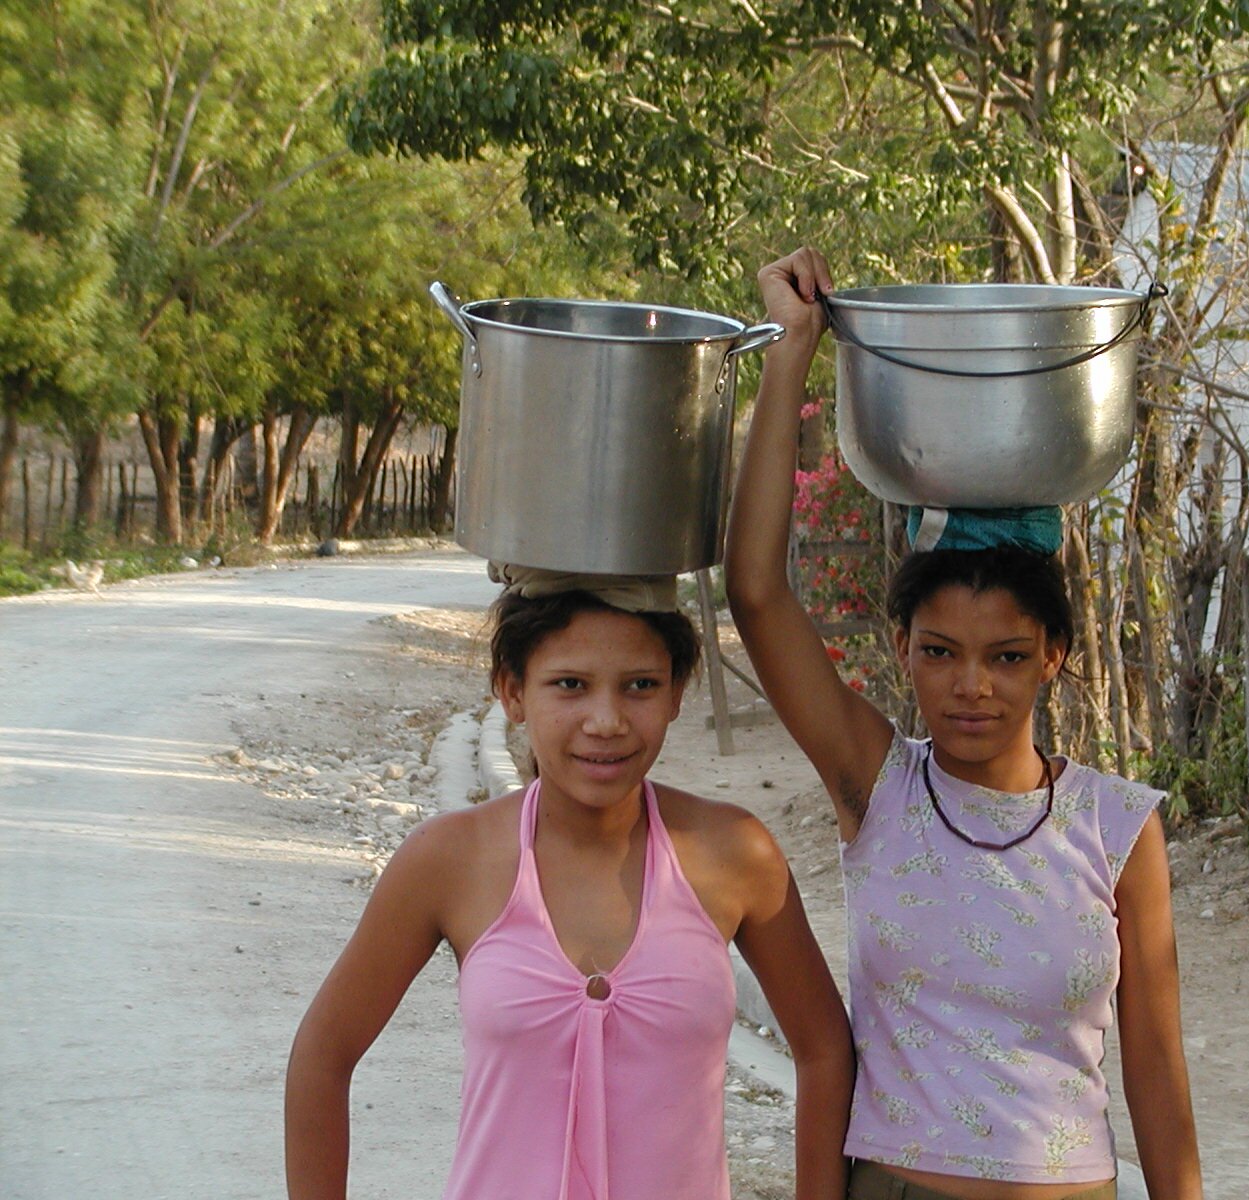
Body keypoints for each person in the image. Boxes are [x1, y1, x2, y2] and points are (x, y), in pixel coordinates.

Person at [725, 247, 1202, 1200]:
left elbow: (1155, 1069)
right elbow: (757, 593)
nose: (971, 687)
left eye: (1008, 657)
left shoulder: (1118, 828)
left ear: (1054, 655)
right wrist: (792, 351)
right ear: (902, 646)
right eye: (940, 652)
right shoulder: (880, 787)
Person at [285, 578, 855, 1200]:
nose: (606, 721)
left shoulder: (733, 853)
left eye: (641, 685)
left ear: (676, 694)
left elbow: (824, 1051)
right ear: (512, 691)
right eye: (570, 685)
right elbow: (324, 1053)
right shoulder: (449, 859)